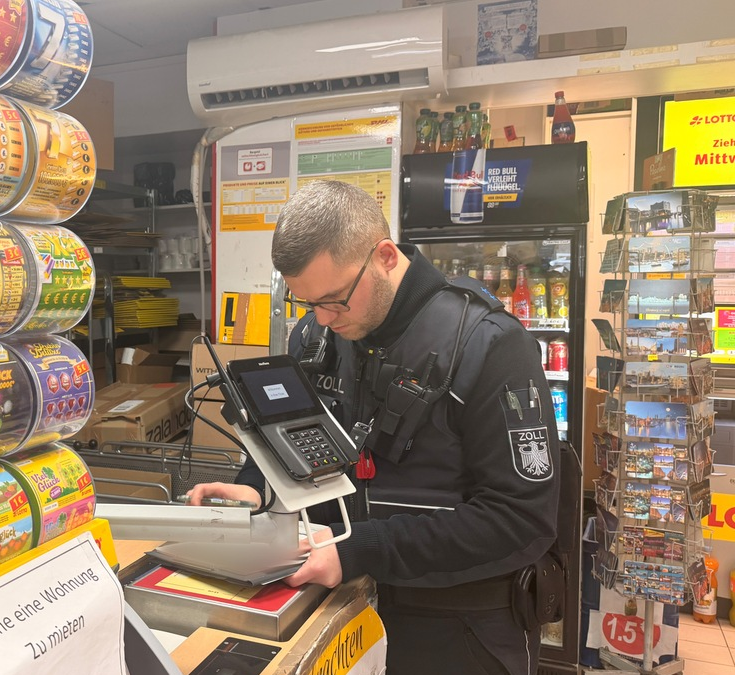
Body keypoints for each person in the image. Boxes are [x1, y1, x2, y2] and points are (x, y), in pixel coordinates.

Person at [189, 180, 560, 675]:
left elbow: (520, 519)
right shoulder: (317, 336)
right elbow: (290, 441)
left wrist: (357, 550)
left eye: (335, 300)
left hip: (460, 632)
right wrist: (259, 491)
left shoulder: (489, 345)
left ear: (385, 256)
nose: (322, 318)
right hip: (336, 615)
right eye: (307, 303)